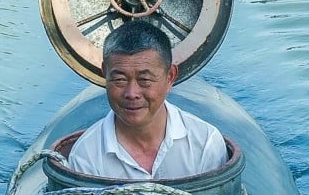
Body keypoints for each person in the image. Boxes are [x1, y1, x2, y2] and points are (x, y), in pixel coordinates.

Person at [66, 21, 228, 179]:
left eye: (144, 80)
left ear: (170, 76)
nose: (132, 93)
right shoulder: (86, 155)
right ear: (105, 73)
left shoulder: (205, 143)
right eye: (120, 79)